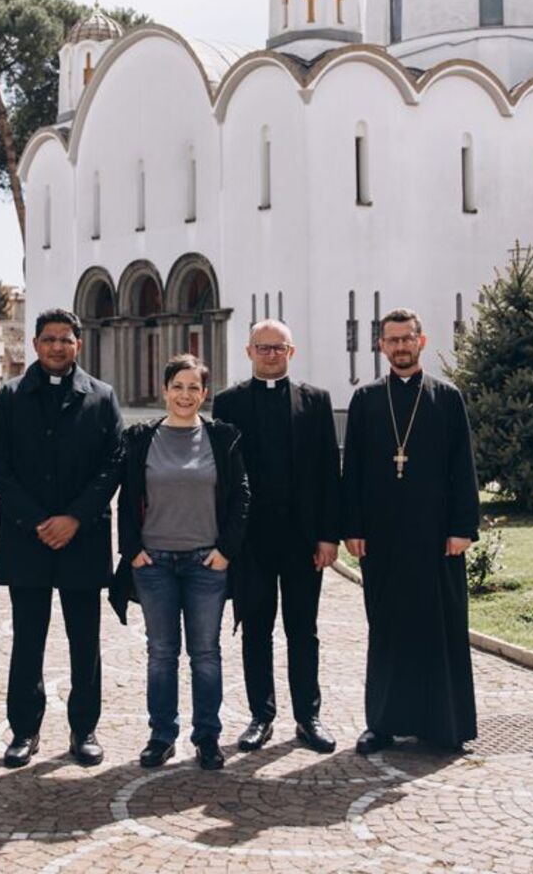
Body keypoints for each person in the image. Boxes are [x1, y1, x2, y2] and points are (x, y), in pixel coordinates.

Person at [0, 308, 123, 769]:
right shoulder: (10, 397)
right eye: (49, 339)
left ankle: (84, 729)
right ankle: (25, 730)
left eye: (66, 339)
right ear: (36, 344)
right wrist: (39, 520)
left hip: (82, 538)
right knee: (28, 640)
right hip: (28, 539)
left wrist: (74, 519)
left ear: (78, 344)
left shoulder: (102, 397)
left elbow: (112, 466)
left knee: (85, 641)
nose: (57, 347)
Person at [342, 308, 480, 755]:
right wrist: (353, 526)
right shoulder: (365, 400)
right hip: (381, 539)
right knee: (387, 629)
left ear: (421, 342)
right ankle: (382, 724)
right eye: (391, 340)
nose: (400, 346)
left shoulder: (447, 397)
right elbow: (354, 470)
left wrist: (462, 527)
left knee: (438, 627)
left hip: (437, 536)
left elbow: (463, 466)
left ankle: (445, 725)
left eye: (407, 339)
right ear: (381, 346)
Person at [109, 354, 250, 771]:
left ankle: (207, 737)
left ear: (205, 394)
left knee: (206, 653)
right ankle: (161, 736)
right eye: (178, 386)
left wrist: (226, 550)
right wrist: (131, 548)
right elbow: (125, 496)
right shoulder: (140, 438)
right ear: (165, 389)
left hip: (207, 563)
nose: (185, 395)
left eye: (194, 387)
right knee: (161, 652)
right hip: (154, 563)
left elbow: (241, 496)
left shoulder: (223, 438)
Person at [210, 319, 341, 754]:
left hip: (303, 540)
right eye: (262, 347)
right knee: (256, 630)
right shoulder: (228, 403)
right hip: (252, 541)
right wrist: (227, 539)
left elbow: (328, 473)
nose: (270, 355)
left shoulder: (316, 402)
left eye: (278, 348)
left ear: (292, 352)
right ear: (248, 352)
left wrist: (328, 536)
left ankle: (308, 717)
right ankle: (260, 717)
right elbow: (222, 478)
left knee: (303, 630)